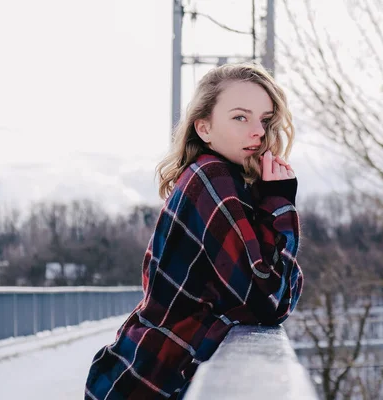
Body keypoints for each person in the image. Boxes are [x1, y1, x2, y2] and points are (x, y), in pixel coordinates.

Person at [84, 62, 304, 400]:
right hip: (155, 382)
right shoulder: (213, 179)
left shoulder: (217, 179)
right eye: (240, 117)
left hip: (142, 373)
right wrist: (280, 204)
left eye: (264, 119)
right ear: (204, 128)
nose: (258, 132)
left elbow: (271, 289)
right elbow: (271, 302)